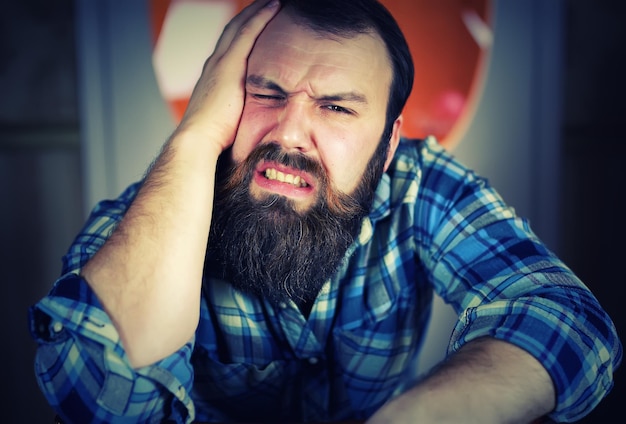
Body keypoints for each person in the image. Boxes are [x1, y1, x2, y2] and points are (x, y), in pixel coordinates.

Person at [29, 0, 621, 422]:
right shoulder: (163, 205)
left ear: (388, 145)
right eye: (266, 93)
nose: (290, 133)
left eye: (336, 108)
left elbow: (566, 321)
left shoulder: (418, 183)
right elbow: (90, 394)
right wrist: (192, 138)